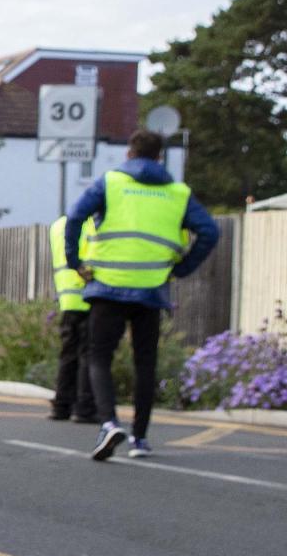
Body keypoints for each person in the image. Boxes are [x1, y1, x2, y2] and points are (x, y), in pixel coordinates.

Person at [66, 129, 219, 461]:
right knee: (145, 363)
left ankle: (108, 423)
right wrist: (182, 268)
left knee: (99, 356)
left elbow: (76, 215)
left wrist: (74, 261)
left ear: (128, 154)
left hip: (107, 285)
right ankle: (140, 439)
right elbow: (210, 230)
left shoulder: (110, 183)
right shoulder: (178, 192)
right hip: (151, 288)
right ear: (160, 157)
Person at [47, 214, 97, 423]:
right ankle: (84, 408)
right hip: (88, 293)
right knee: (88, 354)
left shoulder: (57, 225)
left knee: (68, 354)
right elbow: (95, 256)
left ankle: (61, 406)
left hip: (67, 296)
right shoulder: (92, 225)